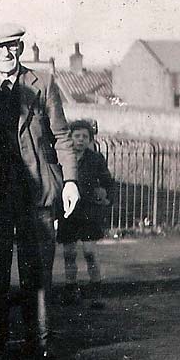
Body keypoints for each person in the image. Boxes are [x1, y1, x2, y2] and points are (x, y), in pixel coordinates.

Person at [0, 23, 80, 360]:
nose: (6, 54)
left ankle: (38, 341)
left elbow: (62, 137)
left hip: (36, 192)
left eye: (12, 47)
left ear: (20, 50)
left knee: (36, 271)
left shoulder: (44, 85)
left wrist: (70, 182)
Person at [57, 119, 114, 308]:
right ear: (70, 138)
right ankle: (71, 289)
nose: (80, 140)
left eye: (85, 137)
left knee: (89, 252)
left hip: (88, 211)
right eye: (77, 136)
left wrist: (105, 195)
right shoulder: (64, 159)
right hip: (69, 211)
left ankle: (96, 292)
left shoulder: (95, 159)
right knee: (69, 253)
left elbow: (108, 182)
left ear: (90, 139)